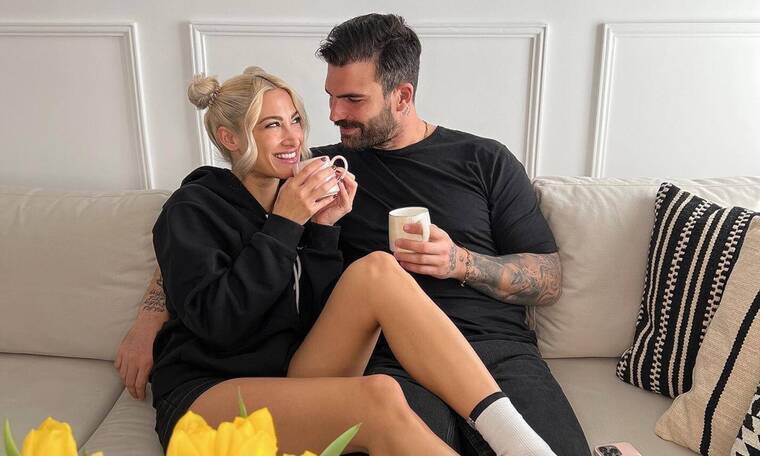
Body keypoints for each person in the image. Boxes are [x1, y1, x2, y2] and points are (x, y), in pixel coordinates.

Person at [137, 65, 556, 455]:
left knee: (378, 269)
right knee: (378, 398)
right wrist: (285, 225)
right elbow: (221, 326)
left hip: (290, 378)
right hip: (210, 393)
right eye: (272, 125)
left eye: (295, 120)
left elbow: (313, 317)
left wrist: (323, 229)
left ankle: (518, 442)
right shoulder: (193, 207)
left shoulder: (297, 198)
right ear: (230, 138)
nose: (293, 139)